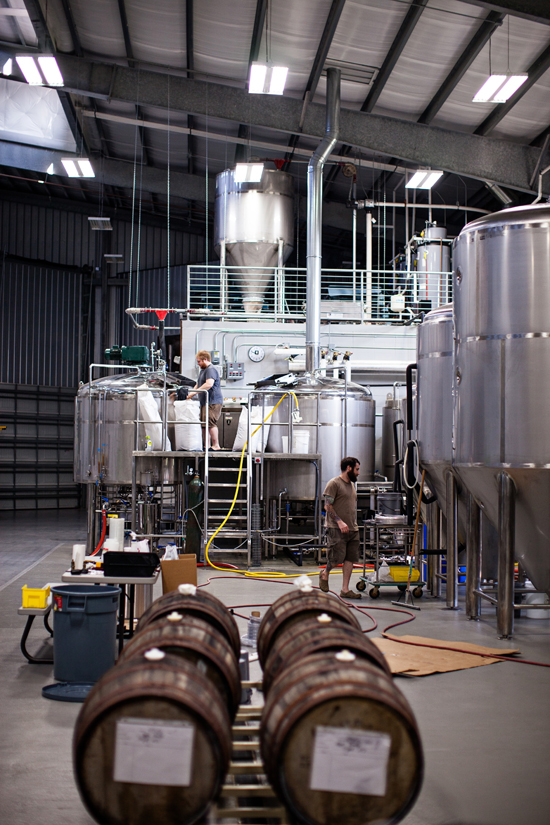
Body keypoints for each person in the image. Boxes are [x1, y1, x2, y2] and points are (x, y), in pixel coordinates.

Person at [319, 456, 362, 599]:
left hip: (352, 529)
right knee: (336, 557)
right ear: (348, 468)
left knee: (350, 558)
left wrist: (351, 524)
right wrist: (339, 521)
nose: (358, 473)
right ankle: (325, 574)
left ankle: (345, 589)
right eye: (357, 469)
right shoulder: (334, 483)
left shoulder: (352, 485)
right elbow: (327, 506)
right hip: (336, 528)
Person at [187, 350, 224, 450]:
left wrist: (194, 393)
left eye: (199, 361)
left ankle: (216, 445)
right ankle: (206, 445)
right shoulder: (203, 370)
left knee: (210, 423)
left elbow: (209, 384)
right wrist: (190, 393)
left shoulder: (210, 369)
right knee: (204, 424)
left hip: (213, 401)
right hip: (205, 402)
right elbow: (198, 384)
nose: (198, 363)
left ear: (205, 359)